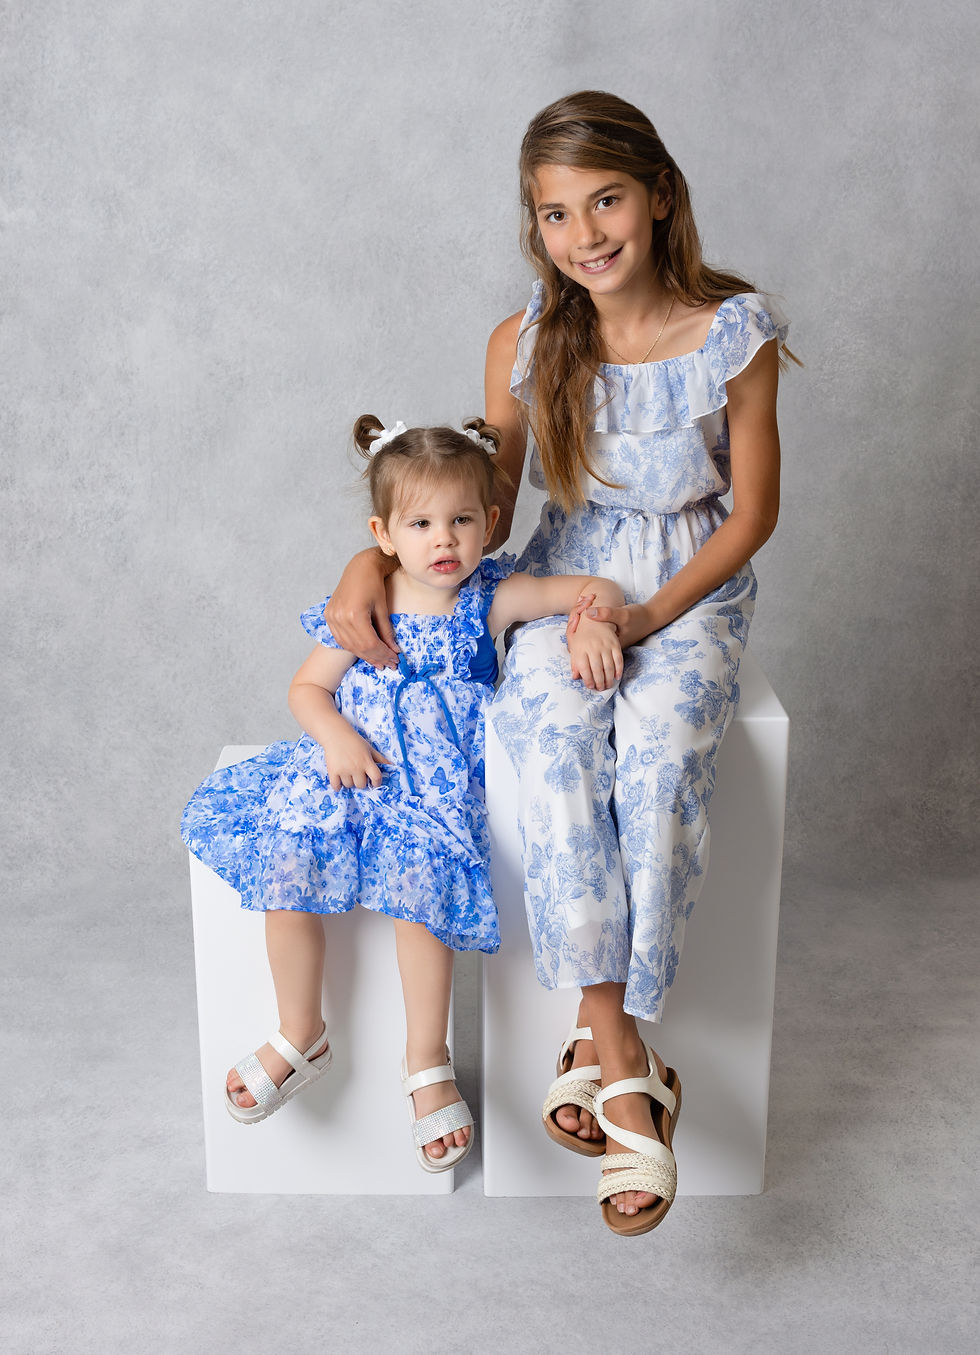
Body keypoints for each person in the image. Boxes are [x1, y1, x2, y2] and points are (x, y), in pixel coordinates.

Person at [324, 90, 793, 1231]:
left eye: (605, 200)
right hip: (563, 570)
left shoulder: (736, 331)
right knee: (551, 744)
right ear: (532, 228)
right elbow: (472, 501)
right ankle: (631, 1066)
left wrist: (635, 620)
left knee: (657, 750)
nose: (583, 233)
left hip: (686, 583)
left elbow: (748, 518)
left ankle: (605, 1036)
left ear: (657, 194)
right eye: (553, 214)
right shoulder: (527, 342)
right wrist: (363, 563)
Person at [181, 415, 625, 1172]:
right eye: (420, 523)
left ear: (488, 522)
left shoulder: (494, 595)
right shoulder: (368, 601)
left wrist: (594, 619)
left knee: (422, 898)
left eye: (459, 520)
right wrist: (337, 738)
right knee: (286, 874)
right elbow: (308, 688)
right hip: (356, 771)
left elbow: (592, 585)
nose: (442, 539)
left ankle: (428, 1060)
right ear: (383, 533)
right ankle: (300, 1030)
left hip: (434, 790)